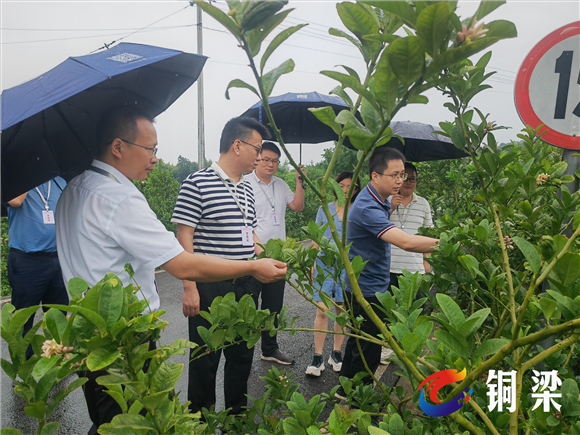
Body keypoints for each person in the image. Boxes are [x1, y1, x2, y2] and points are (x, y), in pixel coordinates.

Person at [55, 107, 286, 435]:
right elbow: (180, 261)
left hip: (88, 327)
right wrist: (251, 266)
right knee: (131, 419)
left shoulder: (73, 189)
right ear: (118, 147)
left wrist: (258, 259)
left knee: (107, 418)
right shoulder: (119, 198)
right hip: (123, 333)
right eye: (150, 150)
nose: (156, 159)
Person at [171, 116, 274, 415]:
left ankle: (236, 418)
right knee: (205, 358)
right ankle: (200, 421)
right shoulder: (197, 182)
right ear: (237, 145)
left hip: (245, 282)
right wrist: (189, 288)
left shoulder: (247, 189)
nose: (259, 156)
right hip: (210, 287)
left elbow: (250, 234)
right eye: (257, 148)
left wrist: (272, 256)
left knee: (242, 356)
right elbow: (184, 236)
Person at [335, 147, 439, 400]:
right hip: (366, 288)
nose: (400, 181)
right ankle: (360, 398)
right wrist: (449, 242)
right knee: (369, 346)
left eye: (403, 175)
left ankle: (345, 389)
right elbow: (405, 242)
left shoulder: (379, 200)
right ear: (374, 176)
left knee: (359, 339)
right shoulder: (367, 207)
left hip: (366, 284)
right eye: (394, 175)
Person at [247, 141, 304, 365]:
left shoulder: (280, 184)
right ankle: (243, 352)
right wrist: (260, 254)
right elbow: (244, 225)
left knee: (273, 307)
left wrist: (300, 181)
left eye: (275, 161)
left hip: (277, 256)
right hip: (252, 257)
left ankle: (269, 349)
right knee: (250, 306)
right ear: (256, 159)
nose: (271, 164)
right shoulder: (245, 183)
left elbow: (297, 206)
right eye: (266, 159)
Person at [6, 177, 69, 360]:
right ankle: (25, 372)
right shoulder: (15, 180)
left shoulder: (59, 181)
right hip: (27, 261)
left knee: (57, 318)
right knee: (23, 320)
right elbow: (16, 201)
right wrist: (27, 171)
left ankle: (55, 363)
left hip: (58, 259)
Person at [305, 171, 361, 377]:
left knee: (342, 311)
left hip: (346, 268)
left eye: (351, 186)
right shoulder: (325, 209)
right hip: (324, 264)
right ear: (335, 187)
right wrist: (311, 262)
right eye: (342, 185)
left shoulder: (358, 211)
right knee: (322, 311)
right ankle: (317, 356)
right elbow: (315, 238)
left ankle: (336, 353)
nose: (345, 190)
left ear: (356, 189)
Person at [380, 162, 433, 364]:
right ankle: (388, 348)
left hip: (414, 268)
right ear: (398, 179)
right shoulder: (385, 202)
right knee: (389, 311)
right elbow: (377, 229)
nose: (409, 182)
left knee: (415, 312)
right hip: (389, 266)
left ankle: (414, 351)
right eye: (405, 177)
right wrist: (391, 206)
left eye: (413, 178)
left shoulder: (423, 204)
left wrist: (427, 263)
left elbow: (429, 235)